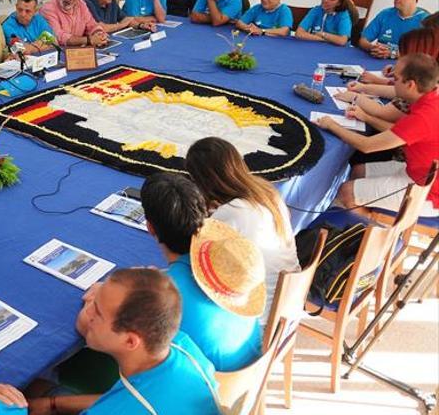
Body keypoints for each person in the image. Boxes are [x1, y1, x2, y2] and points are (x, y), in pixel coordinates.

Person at [29, 268, 220, 415]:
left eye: (98, 311)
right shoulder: (183, 346)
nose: (89, 312)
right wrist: (53, 403)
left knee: (28, 390)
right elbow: (126, 398)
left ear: (130, 341)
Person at [140, 173, 264, 371]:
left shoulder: (162, 295)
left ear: (150, 228)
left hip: (208, 390)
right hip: (252, 369)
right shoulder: (230, 265)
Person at [185, 137, 299, 324]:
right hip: (289, 305)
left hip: (258, 318)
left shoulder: (232, 212)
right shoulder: (266, 192)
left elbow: (196, 255)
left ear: (203, 182)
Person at [314, 53, 439, 218]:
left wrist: (332, 125)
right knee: (358, 171)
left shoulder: (423, 116)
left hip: (427, 191)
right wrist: (366, 117)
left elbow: (367, 146)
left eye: (396, 78)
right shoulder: (430, 98)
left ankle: (374, 233)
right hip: (419, 171)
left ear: (410, 85)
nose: (393, 82)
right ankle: (360, 216)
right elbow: (397, 133)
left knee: (346, 192)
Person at [337, 27, 439, 131]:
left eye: (404, 53)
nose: (400, 57)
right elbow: (394, 90)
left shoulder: (424, 89)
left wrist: (355, 98)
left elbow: (384, 114)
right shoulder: (429, 73)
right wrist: (364, 87)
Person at [359, 0, 430, 58]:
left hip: (406, 67)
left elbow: (424, 55)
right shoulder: (385, 14)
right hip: (377, 61)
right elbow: (363, 40)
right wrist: (373, 48)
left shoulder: (425, 22)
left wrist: (393, 53)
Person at [40, 0, 109, 47]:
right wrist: (88, 40)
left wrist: (100, 35)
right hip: (58, 52)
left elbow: (92, 25)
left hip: (77, 50)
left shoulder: (81, 4)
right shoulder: (48, 8)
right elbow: (59, 37)